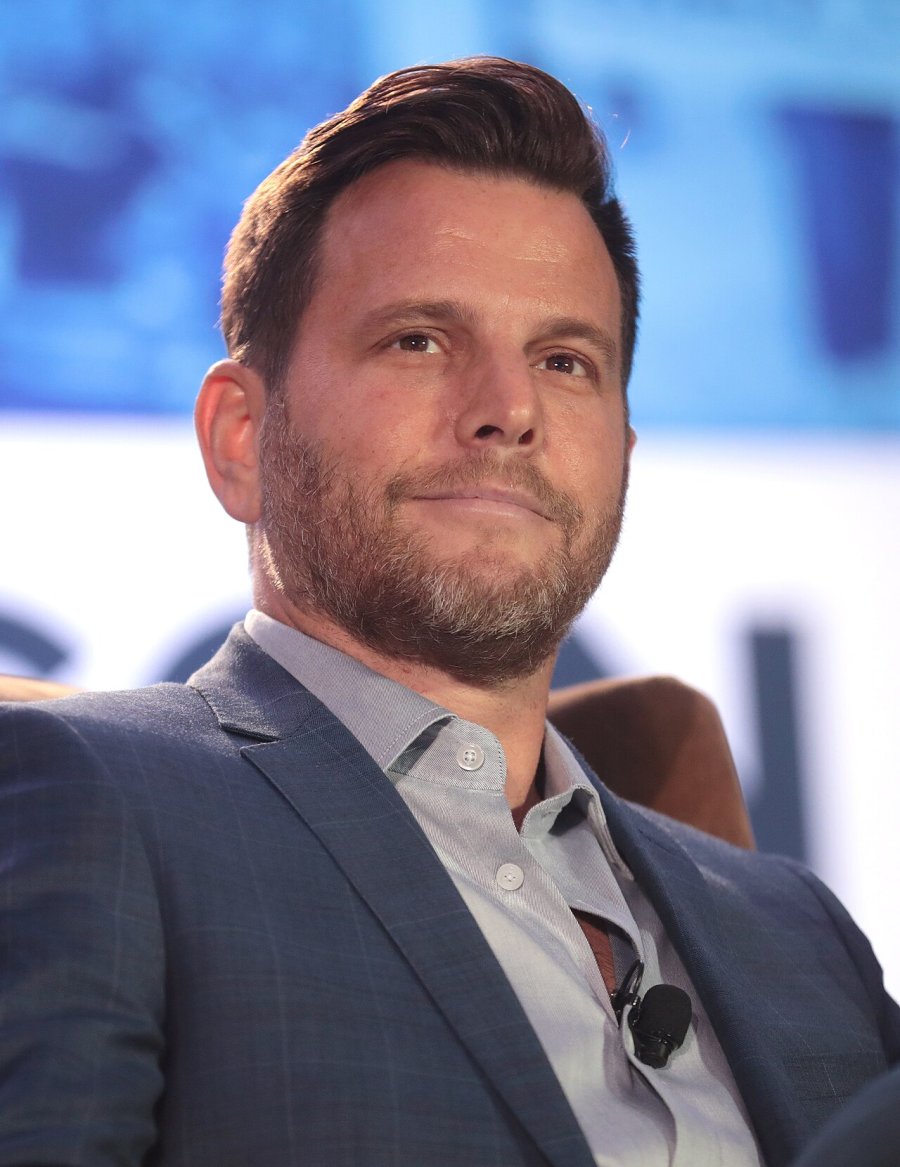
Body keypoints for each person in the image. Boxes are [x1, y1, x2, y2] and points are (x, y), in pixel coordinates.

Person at [0, 57, 896, 1167]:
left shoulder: (804, 933)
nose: (509, 410)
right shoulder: (85, 794)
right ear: (240, 439)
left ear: (622, 455)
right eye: (419, 339)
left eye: (565, 360)